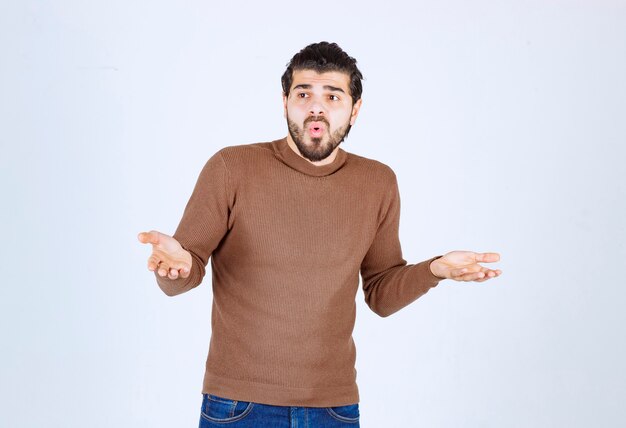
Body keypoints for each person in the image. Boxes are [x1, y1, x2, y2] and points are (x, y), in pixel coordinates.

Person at [138, 41, 502, 427]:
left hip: (334, 409)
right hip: (238, 407)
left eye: (333, 96)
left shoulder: (376, 182)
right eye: (303, 94)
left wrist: (435, 270)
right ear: (285, 102)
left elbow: (380, 292)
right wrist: (173, 268)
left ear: (354, 109)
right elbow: (184, 269)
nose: (317, 106)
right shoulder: (232, 167)